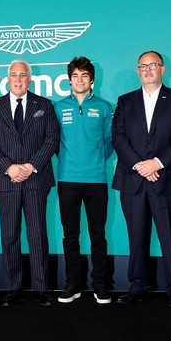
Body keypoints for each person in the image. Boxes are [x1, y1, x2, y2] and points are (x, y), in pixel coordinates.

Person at [112, 50, 171, 307]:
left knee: (170, 238)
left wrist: (157, 163)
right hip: (133, 181)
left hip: (166, 180)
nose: (147, 70)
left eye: (152, 65)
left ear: (162, 69)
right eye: (142, 66)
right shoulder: (125, 101)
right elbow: (118, 138)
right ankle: (138, 286)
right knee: (136, 237)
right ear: (138, 71)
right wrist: (139, 165)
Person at [0, 59, 60, 306]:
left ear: (30, 79)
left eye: (22, 75)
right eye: (14, 75)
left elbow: (52, 139)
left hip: (36, 179)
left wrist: (30, 166)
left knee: (37, 234)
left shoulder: (44, 105)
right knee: (9, 235)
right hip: (7, 180)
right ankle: (13, 288)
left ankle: (41, 288)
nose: (18, 79)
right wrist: (9, 167)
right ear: (8, 79)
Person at [53, 57, 115, 305]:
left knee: (98, 234)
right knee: (70, 235)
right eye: (75, 76)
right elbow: (54, 142)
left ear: (92, 80)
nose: (80, 80)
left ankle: (100, 284)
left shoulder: (104, 107)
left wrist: (95, 160)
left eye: (84, 75)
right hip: (67, 179)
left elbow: (110, 141)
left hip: (96, 180)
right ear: (69, 80)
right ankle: (73, 284)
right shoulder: (58, 107)